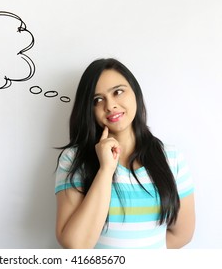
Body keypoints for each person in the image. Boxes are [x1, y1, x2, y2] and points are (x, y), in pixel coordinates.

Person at [54, 58, 195, 249]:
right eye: (98, 100)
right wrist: (105, 170)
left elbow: (182, 234)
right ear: (89, 109)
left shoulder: (171, 158)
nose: (110, 105)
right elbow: (75, 245)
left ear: (135, 93)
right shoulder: (74, 160)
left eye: (118, 92)